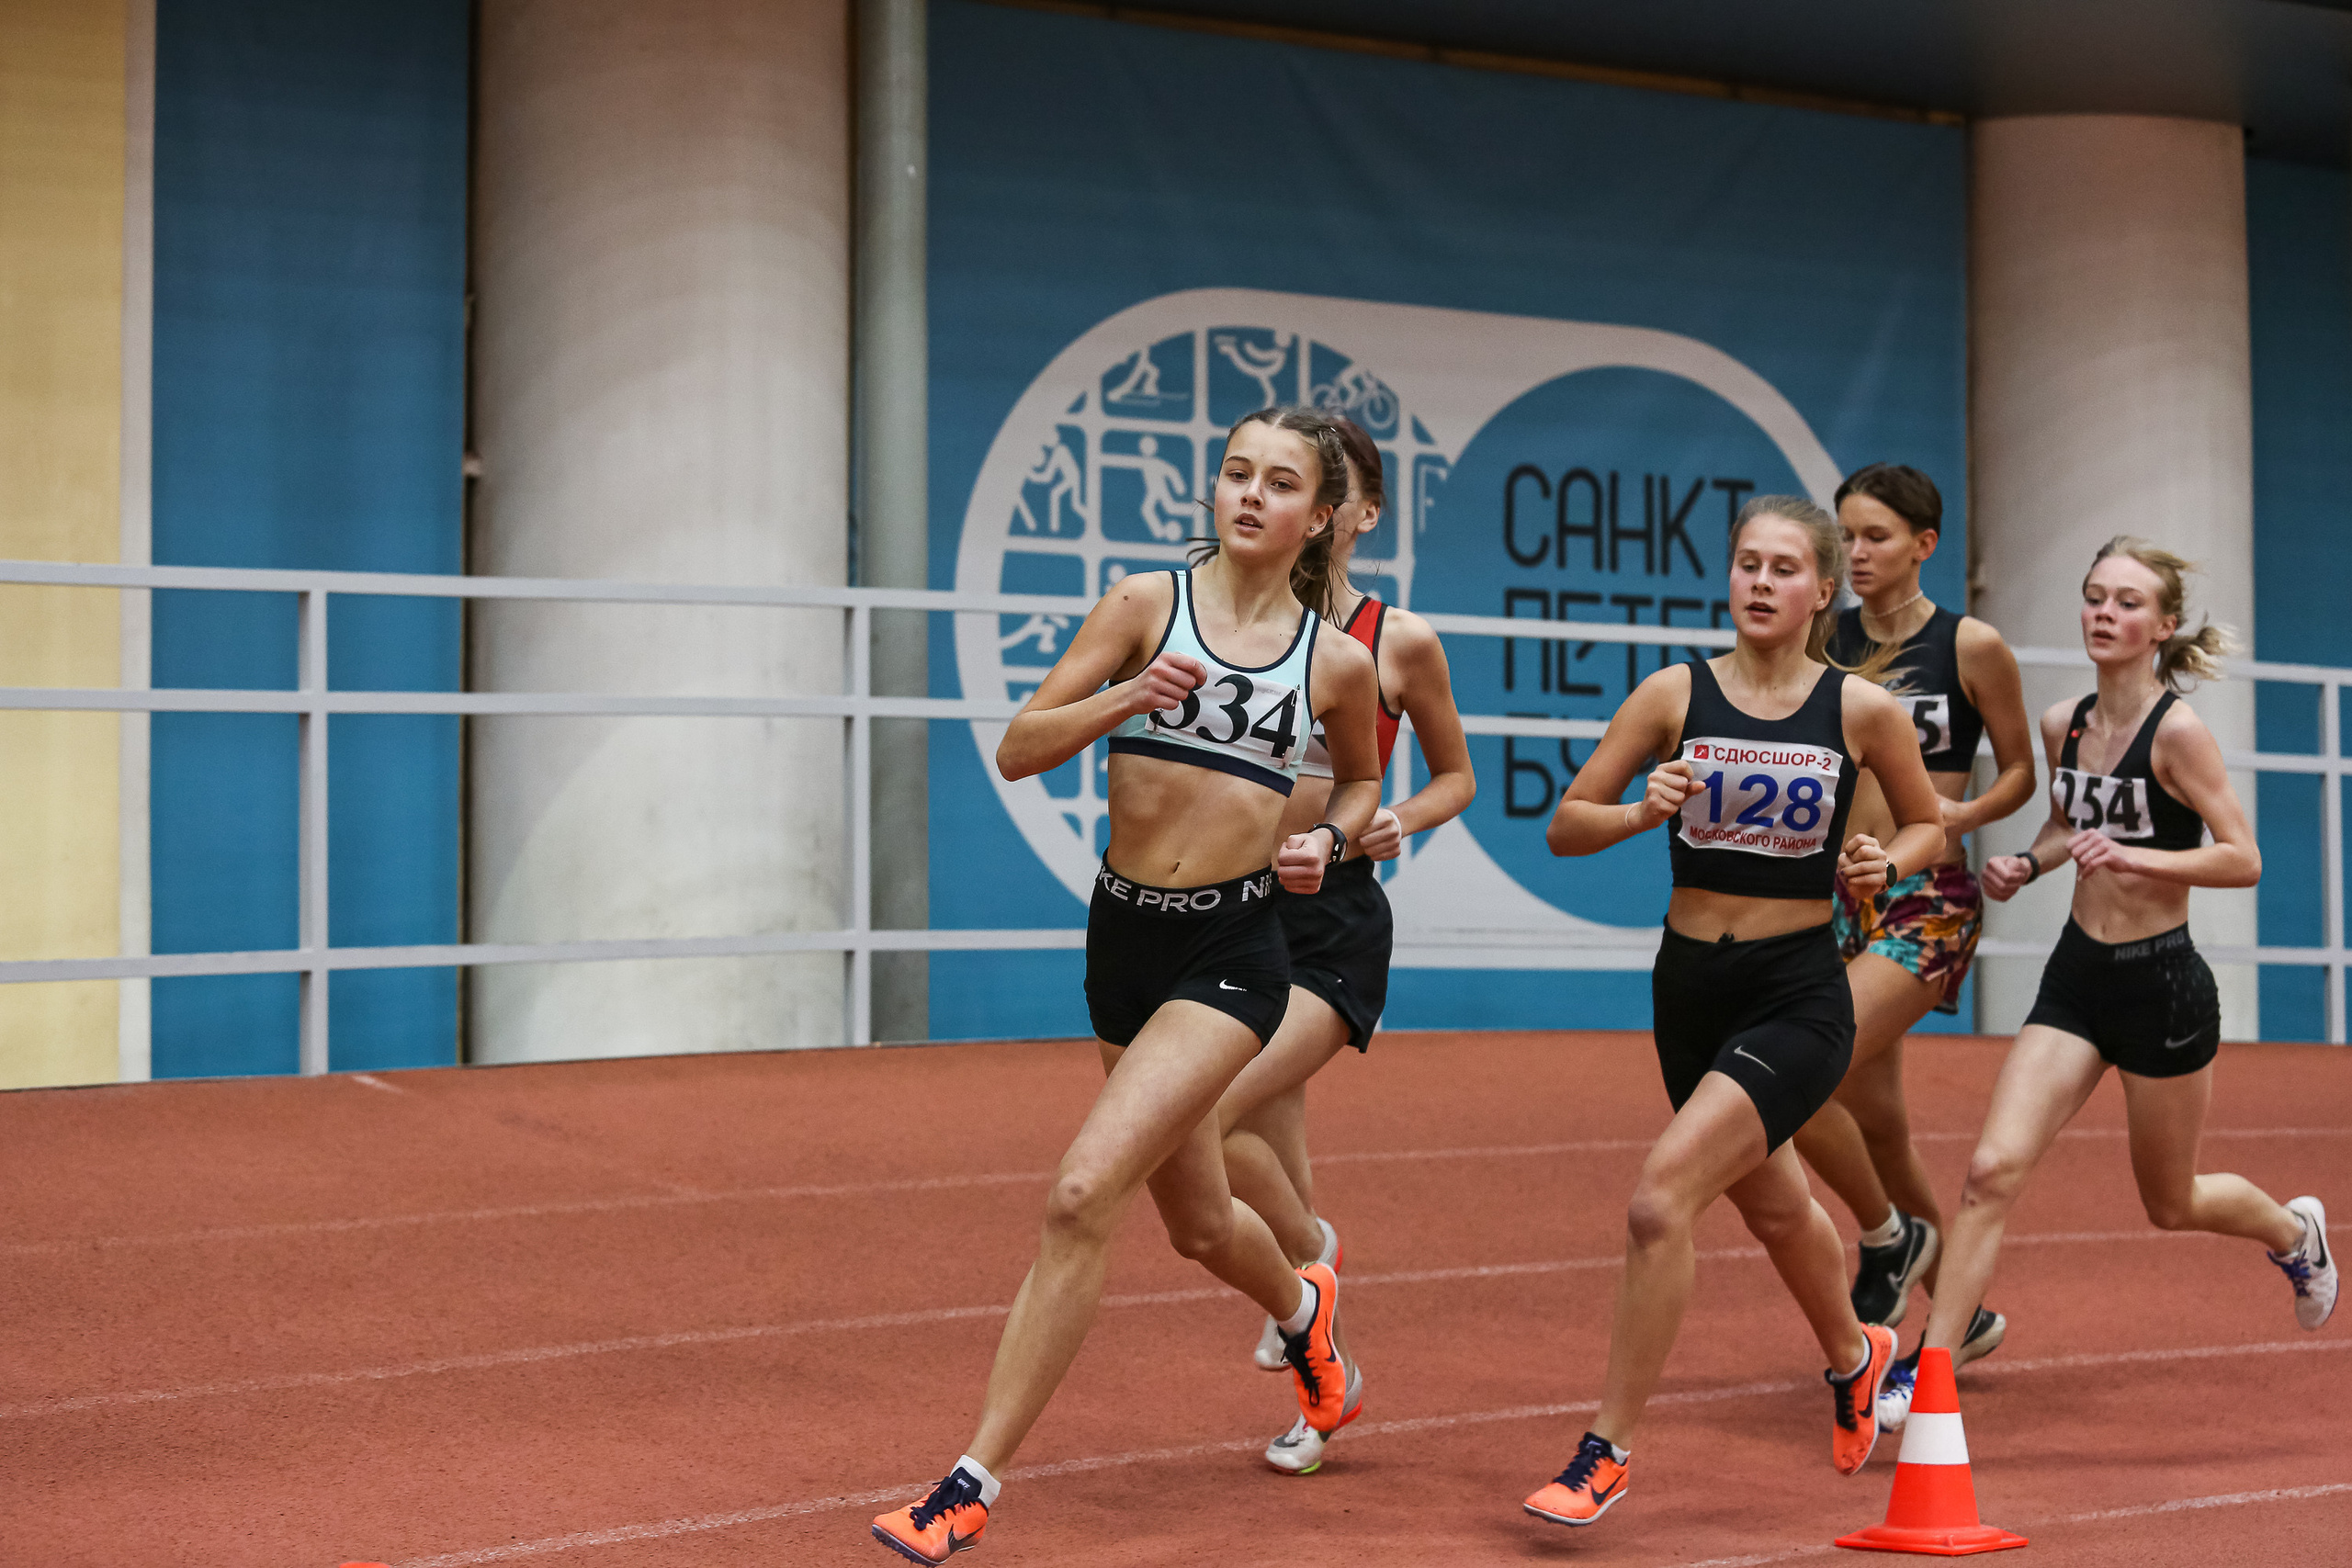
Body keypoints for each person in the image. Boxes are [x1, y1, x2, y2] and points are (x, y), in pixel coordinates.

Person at [869, 407, 1385, 1564]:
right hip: (1122, 940)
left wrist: (1330, 840)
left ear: (1317, 517)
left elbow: (1359, 782)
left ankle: (969, 1484)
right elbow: (1020, 746)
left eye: (1279, 482)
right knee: (1198, 1224)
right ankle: (1305, 1314)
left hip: (1232, 955)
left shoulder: (1335, 661)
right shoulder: (1143, 604)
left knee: (1080, 1193)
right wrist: (1129, 695)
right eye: (1235, 472)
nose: (1249, 494)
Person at [1523, 495, 1947, 1529]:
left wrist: (1884, 862)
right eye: (1747, 564)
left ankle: (1605, 1452)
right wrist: (1641, 809)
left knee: (1659, 1200)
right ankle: (1856, 1355)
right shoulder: (1675, 693)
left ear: (1823, 589)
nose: (1760, 582)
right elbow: (1565, 826)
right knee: (1774, 1207)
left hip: (1796, 992)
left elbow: (1929, 826)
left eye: (1783, 568)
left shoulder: (1859, 710)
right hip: (1687, 988)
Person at [1878, 536, 2337, 1431]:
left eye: (2127, 602)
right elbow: (2066, 823)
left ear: (2162, 626)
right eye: (2095, 596)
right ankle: (1929, 1366)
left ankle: (2294, 1233)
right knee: (1989, 1171)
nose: (2104, 613)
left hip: (2161, 987)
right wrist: (2027, 861)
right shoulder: (2066, 723)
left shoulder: (2179, 734)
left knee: (2171, 1201)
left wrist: (2135, 856)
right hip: (2077, 977)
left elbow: (2242, 857)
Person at [1213, 414, 1476, 1476]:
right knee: (1267, 1149)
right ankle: (1324, 1381)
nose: (1282, 499)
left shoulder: (1393, 638)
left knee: (1206, 1117)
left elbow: (1456, 776)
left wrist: (1392, 820)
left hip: (1332, 923)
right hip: (1232, 911)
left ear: (1355, 513)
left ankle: (1305, 1264)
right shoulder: (1231, 620)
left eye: (1315, 486)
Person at [1796, 464, 2036, 1359]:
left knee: (1799, 1066)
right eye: (1846, 536)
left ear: (1924, 544)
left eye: (1876, 537)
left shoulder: (1969, 645)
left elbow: (2020, 770)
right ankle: (1959, 1316)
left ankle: (1887, 1239)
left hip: (1927, 897)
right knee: (1881, 1127)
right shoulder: (1825, 638)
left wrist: (1961, 814)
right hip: (1836, 893)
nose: (1855, 553)